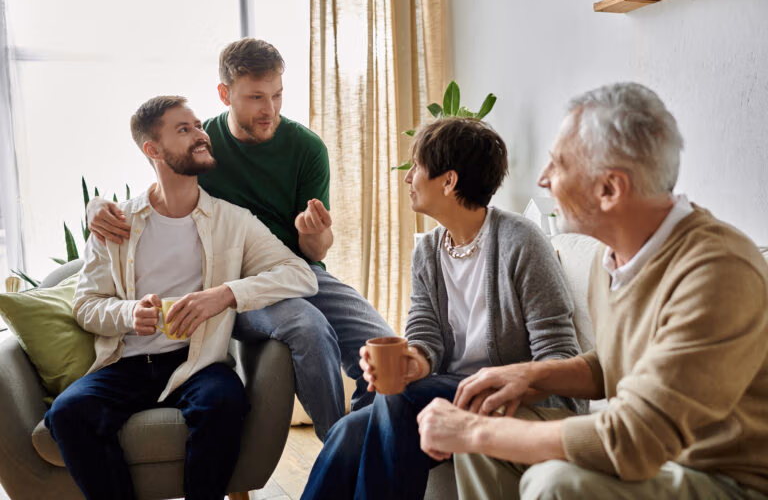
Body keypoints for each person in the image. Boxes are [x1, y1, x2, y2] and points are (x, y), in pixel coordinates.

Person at [417, 82, 768, 500]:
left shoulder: (718, 272)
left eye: (559, 165)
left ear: (610, 189)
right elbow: (618, 366)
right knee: (484, 440)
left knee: (547, 478)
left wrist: (476, 431)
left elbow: (634, 440)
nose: (544, 180)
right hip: (650, 454)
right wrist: (529, 374)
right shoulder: (617, 259)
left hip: (723, 478)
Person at [86, 38, 394, 441]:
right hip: (231, 280)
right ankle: (338, 449)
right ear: (224, 93)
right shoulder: (203, 144)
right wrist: (95, 208)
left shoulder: (306, 149)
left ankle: (367, 445)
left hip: (294, 270)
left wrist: (312, 236)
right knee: (307, 326)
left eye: (278, 95)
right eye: (255, 97)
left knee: (387, 350)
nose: (270, 110)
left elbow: (312, 257)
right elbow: (162, 186)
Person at [45, 95, 318, 500]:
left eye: (198, 126)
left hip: (200, 360)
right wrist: (128, 314)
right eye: (184, 129)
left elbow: (300, 274)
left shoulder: (233, 221)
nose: (201, 135)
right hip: (128, 363)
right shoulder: (117, 223)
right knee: (67, 414)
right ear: (152, 150)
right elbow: (86, 305)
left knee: (223, 406)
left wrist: (225, 295)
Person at [301, 117, 586, 500]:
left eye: (416, 167)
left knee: (399, 398)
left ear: (448, 181)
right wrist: (412, 362)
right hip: (449, 389)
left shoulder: (522, 243)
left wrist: (501, 384)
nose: (408, 179)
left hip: (520, 400)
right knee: (349, 430)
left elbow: (558, 354)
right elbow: (425, 335)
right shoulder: (429, 251)